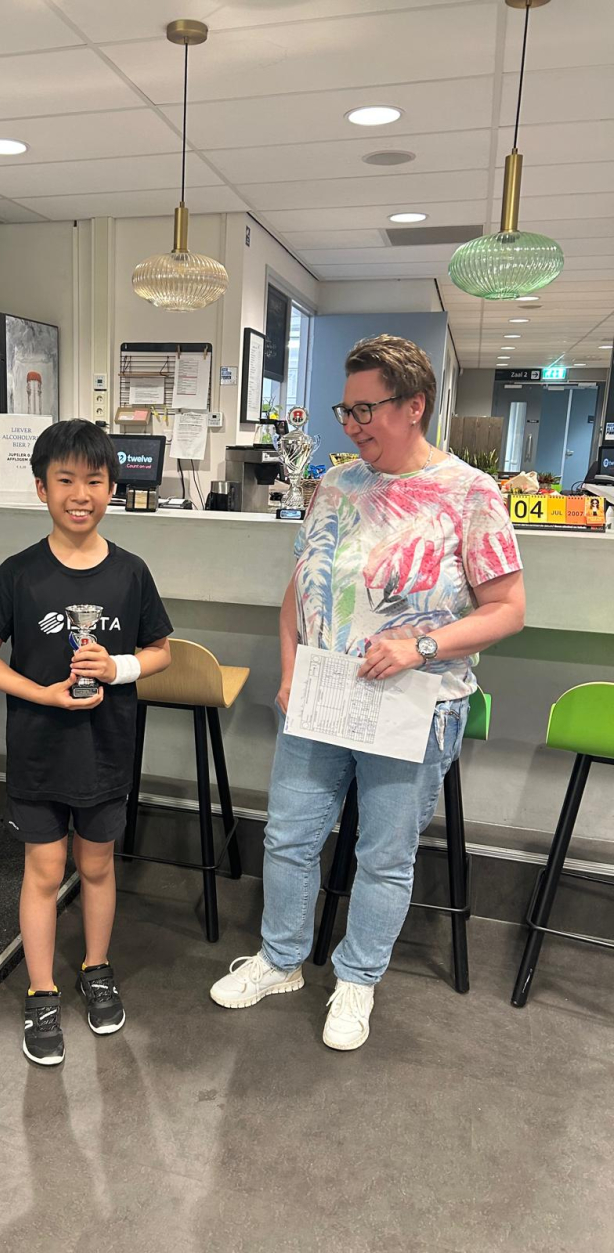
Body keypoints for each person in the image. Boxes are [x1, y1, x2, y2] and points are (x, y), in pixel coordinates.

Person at [210, 335, 525, 1050]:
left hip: (414, 704)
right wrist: (289, 670)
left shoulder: (470, 494)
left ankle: (357, 980)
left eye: (365, 410)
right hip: (324, 695)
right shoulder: (336, 485)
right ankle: (281, 960)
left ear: (414, 406)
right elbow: (297, 593)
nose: (351, 425)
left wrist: (420, 645)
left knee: (383, 854)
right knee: (289, 835)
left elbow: (508, 610)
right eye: (345, 410)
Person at [0, 420, 172, 1066]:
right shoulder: (18, 574)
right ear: (41, 488)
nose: (80, 494)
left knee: (99, 865)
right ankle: (41, 991)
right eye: (65, 480)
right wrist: (42, 693)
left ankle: (97, 968)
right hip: (38, 750)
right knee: (44, 869)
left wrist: (118, 667)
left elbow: (160, 652)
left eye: (94, 480)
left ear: (112, 488)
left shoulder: (131, 573)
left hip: (107, 750)